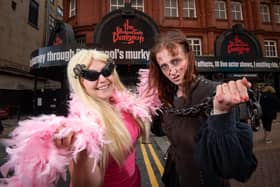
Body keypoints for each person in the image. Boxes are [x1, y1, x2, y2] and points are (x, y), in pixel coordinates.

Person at [0, 49, 158, 187]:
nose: (102, 79)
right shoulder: (86, 124)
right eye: (91, 75)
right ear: (80, 83)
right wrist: (81, 153)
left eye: (107, 70)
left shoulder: (122, 103)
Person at [147, 30, 257, 187]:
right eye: (164, 66)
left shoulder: (214, 92)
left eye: (176, 61)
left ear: (190, 57)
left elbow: (235, 166)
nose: (171, 71)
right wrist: (147, 108)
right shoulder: (167, 96)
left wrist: (221, 114)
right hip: (176, 179)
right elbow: (159, 130)